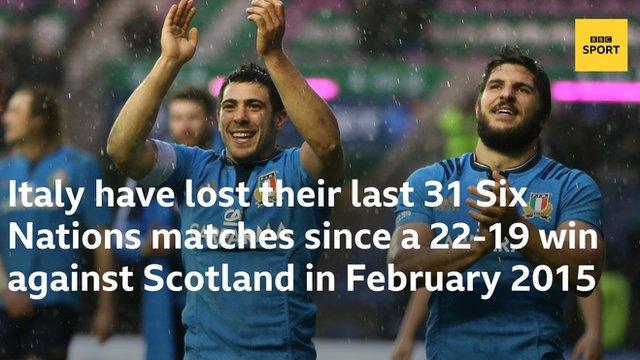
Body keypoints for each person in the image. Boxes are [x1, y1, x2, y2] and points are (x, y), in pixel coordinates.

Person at [107, 0, 343, 358]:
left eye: (255, 106)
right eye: (230, 107)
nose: (240, 117)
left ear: (280, 119)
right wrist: (169, 62)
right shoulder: (193, 168)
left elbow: (326, 143)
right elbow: (122, 149)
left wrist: (274, 56)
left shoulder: (298, 173)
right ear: (218, 118)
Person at [388, 45, 604, 358]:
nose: (506, 94)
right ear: (478, 106)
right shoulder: (427, 181)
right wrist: (478, 245)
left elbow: (585, 272)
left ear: (543, 117)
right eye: (496, 86)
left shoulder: (572, 186)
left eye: (522, 89)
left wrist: (514, 227)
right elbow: (403, 266)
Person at [0, 84, 116, 360]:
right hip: (6, 302)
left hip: (56, 301)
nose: (6, 118)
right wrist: (5, 288)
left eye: (16, 111)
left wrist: (106, 307)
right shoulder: (4, 172)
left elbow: (101, 240)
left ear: (40, 119)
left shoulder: (79, 167)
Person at [114, 86, 219, 360]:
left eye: (192, 117)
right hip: (162, 295)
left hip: (217, 297)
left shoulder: (230, 166)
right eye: (177, 117)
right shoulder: (148, 171)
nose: (184, 125)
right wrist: (143, 246)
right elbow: (119, 236)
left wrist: (188, 238)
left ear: (211, 120)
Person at [391, 289, 604, 360]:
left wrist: (594, 331)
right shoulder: (450, 200)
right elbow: (432, 274)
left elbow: (581, 265)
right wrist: (406, 335)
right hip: (460, 346)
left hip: (530, 346)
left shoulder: (553, 193)